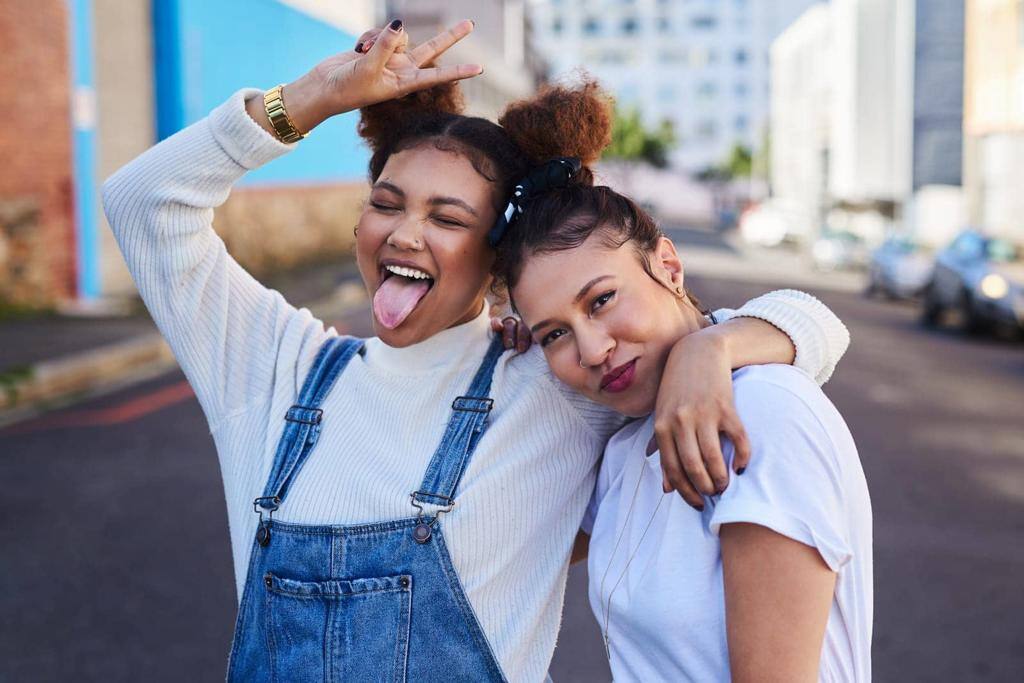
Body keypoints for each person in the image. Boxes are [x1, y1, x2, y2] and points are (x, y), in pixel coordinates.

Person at [101, 20, 851, 682]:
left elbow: (813, 327)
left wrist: (711, 348)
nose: (404, 234)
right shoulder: (270, 367)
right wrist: (311, 97)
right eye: (386, 204)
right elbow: (142, 201)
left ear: (498, 265)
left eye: (447, 217)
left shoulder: (553, 382)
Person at [494, 94, 872, 681]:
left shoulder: (764, 413)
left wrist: (710, 344)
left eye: (602, 300)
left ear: (668, 265)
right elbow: (493, 547)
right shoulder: (622, 452)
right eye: (553, 335)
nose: (592, 350)